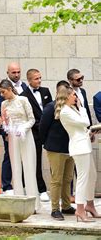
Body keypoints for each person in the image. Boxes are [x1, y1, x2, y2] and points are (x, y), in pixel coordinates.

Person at [58, 86, 100, 222]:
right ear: (67, 97)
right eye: (74, 95)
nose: (76, 98)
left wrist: (91, 132)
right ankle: (80, 210)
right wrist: (82, 107)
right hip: (79, 148)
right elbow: (86, 122)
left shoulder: (73, 109)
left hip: (85, 144)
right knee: (82, 178)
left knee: (92, 176)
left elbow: (83, 128)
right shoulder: (65, 112)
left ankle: (90, 205)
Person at [0, 79, 40, 211]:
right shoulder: (4, 104)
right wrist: (3, 122)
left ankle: (33, 203)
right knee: (15, 168)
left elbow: (32, 119)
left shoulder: (23, 100)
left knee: (29, 167)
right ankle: (19, 202)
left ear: (10, 89)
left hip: (25, 135)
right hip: (12, 136)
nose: (2, 95)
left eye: (3, 92)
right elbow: (5, 123)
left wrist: (24, 128)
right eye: (0, 92)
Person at [39, 80, 76, 220]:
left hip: (70, 148)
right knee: (57, 180)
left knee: (68, 178)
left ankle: (66, 206)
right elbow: (43, 127)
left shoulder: (71, 108)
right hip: (55, 148)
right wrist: (46, 143)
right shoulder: (50, 107)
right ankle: (55, 208)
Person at [0, 62, 27, 195]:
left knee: (23, 155)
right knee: (9, 156)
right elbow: (1, 109)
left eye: (18, 72)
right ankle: (7, 185)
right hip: (9, 126)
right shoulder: (1, 89)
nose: (16, 75)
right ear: (7, 73)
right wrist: (6, 130)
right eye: (13, 72)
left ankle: (23, 184)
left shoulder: (23, 86)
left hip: (23, 127)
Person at [20, 69, 52, 202]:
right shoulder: (24, 95)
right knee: (35, 160)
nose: (39, 81)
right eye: (36, 79)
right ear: (29, 80)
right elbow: (26, 116)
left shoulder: (45, 91)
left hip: (49, 131)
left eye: (40, 78)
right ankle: (40, 189)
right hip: (34, 132)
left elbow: (51, 109)